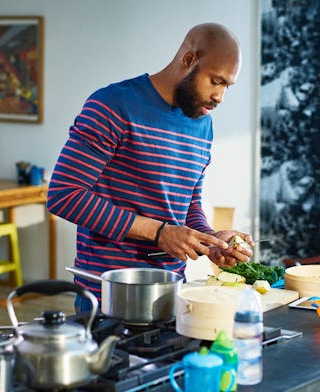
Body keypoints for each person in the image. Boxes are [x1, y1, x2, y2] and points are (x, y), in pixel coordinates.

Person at [47, 23, 254, 312]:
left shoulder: (202, 124)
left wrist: (210, 239)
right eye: (215, 81)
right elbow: (63, 195)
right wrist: (158, 232)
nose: (219, 97)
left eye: (227, 87)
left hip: (170, 295)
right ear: (189, 60)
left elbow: (187, 202)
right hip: (108, 296)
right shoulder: (112, 105)